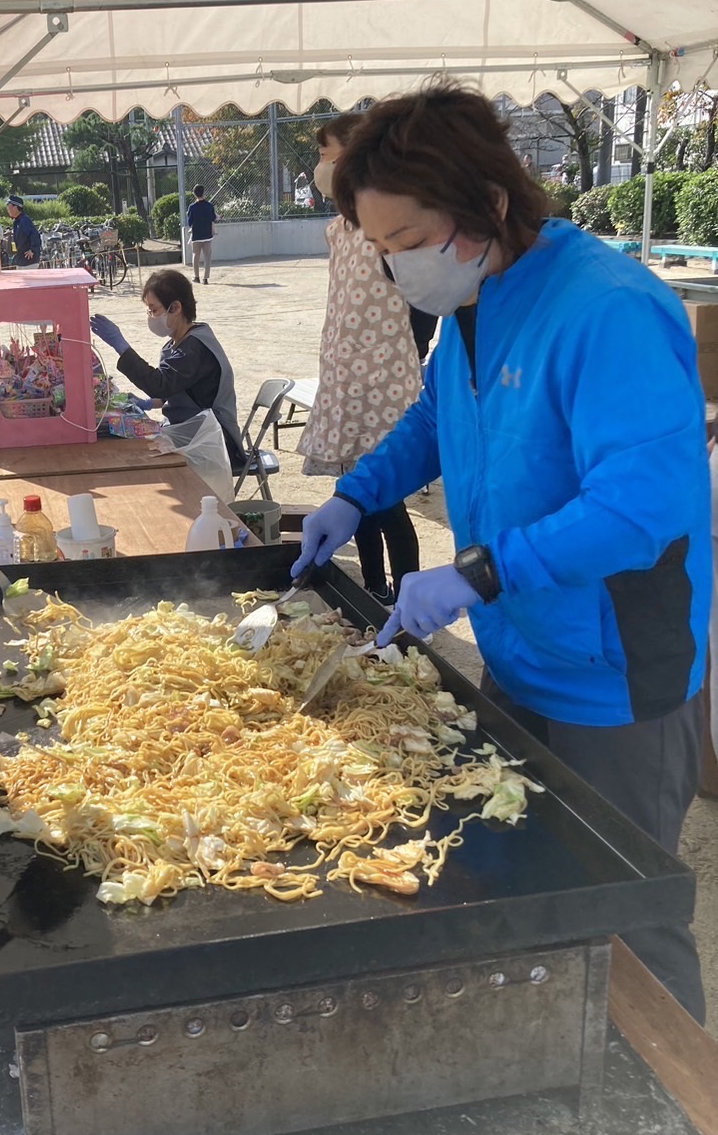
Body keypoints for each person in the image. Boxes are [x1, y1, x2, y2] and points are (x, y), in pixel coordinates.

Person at [294, 81, 710, 1024]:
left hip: (616, 678)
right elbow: (441, 416)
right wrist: (356, 494)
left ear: (484, 203)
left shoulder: (608, 309)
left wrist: (479, 571)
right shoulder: (475, 299)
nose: (400, 271)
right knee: (526, 875)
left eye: (406, 244)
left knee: (629, 914)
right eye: (384, 250)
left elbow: (639, 507)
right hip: (520, 656)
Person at [300, 112, 422, 604]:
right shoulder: (337, 230)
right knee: (356, 495)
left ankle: (405, 589)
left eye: (327, 153)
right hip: (345, 379)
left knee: (386, 499)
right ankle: (371, 589)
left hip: (384, 382)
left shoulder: (395, 225)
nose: (321, 164)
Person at [90, 268, 245, 471]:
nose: (151, 317)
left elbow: (161, 385)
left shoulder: (195, 347)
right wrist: (146, 403)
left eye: (154, 310)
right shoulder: (177, 343)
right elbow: (176, 390)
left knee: (141, 460)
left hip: (213, 440)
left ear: (176, 308)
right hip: (192, 429)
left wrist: (122, 346)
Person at [187, 183, 217, 283]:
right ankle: (205, 278)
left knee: (196, 256)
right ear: (204, 193)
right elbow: (213, 218)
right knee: (207, 257)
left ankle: (196, 277)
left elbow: (189, 222)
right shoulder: (209, 206)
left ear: (194, 194)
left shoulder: (192, 207)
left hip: (196, 236)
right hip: (207, 235)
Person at [6, 194, 41, 267]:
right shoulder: (18, 221)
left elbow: (35, 235)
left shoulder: (24, 221)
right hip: (21, 260)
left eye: (8, 206)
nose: (7, 209)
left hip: (29, 261)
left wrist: (33, 250)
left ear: (15, 207)